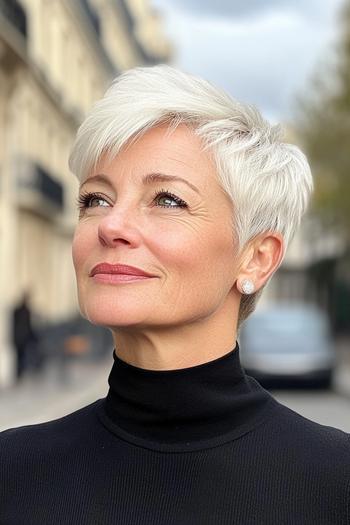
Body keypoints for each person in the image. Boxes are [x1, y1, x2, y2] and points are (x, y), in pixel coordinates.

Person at [1, 65, 349, 524]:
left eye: (167, 199)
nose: (111, 225)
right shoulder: (12, 472)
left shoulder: (335, 485)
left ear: (257, 258)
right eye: (95, 199)